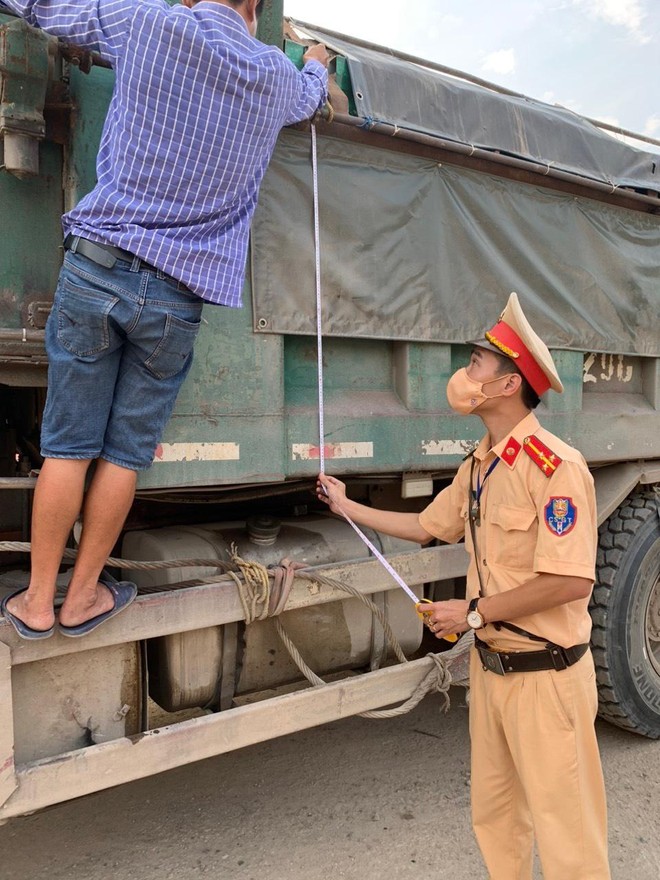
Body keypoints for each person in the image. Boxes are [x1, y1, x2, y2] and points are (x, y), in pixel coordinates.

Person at [0, 0, 328, 639]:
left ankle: (37, 604)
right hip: (177, 297)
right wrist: (314, 59)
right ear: (255, 10)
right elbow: (314, 95)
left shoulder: (147, 21)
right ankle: (83, 598)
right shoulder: (274, 74)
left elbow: (43, 6)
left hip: (97, 266)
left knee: (68, 446)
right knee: (124, 455)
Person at [317, 292, 610, 879]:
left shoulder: (556, 467)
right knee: (496, 820)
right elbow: (427, 527)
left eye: (477, 361)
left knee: (568, 837)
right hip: (493, 671)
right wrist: (350, 507)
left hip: (547, 678)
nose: (464, 371)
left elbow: (571, 580)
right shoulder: (480, 464)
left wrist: (472, 614)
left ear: (507, 386)